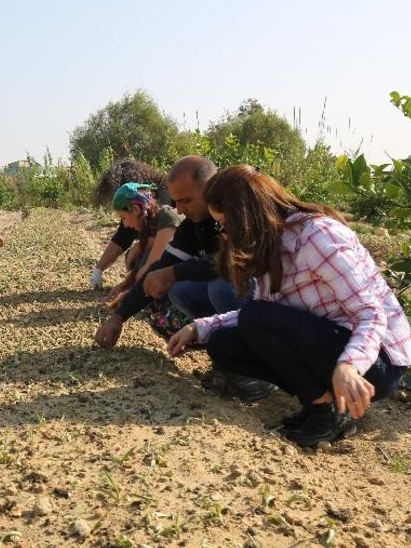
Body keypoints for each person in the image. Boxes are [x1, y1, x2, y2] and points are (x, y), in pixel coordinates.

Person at [166, 164, 411, 447]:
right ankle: (319, 402)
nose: (223, 235)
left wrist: (349, 366)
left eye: (224, 225)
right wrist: (200, 327)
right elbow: (263, 316)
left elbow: (370, 314)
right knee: (223, 343)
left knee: (254, 317)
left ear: (247, 218)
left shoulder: (318, 237)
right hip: (330, 345)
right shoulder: (269, 247)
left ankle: (325, 413)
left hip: (376, 362)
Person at [94, 155, 274, 400]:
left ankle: (256, 368)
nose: (179, 209)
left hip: (271, 298)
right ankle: (224, 354)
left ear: (212, 188)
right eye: (176, 201)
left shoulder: (239, 210)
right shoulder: (192, 224)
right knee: (181, 290)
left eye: (186, 200)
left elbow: (233, 261)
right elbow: (162, 267)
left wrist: (173, 272)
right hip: (245, 300)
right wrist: (119, 317)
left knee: (218, 288)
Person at [89, 159, 170, 290]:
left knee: (140, 257)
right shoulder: (133, 208)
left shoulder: (162, 198)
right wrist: (98, 269)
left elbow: (165, 238)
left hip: (170, 254)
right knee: (132, 257)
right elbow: (122, 238)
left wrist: (140, 246)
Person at [104, 183, 182, 308]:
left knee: (144, 263)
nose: (125, 225)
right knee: (135, 256)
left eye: (123, 218)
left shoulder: (167, 218)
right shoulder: (150, 221)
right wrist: (124, 285)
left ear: (135, 209)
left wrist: (130, 294)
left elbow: (153, 263)